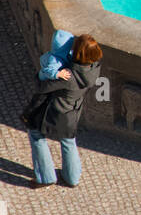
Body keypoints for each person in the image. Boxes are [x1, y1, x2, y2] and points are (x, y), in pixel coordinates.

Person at [24, 33, 103, 188]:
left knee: (35, 133)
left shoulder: (67, 76)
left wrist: (46, 71)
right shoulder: (94, 67)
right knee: (68, 141)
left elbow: (42, 86)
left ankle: (46, 177)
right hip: (73, 112)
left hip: (55, 112)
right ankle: (72, 178)